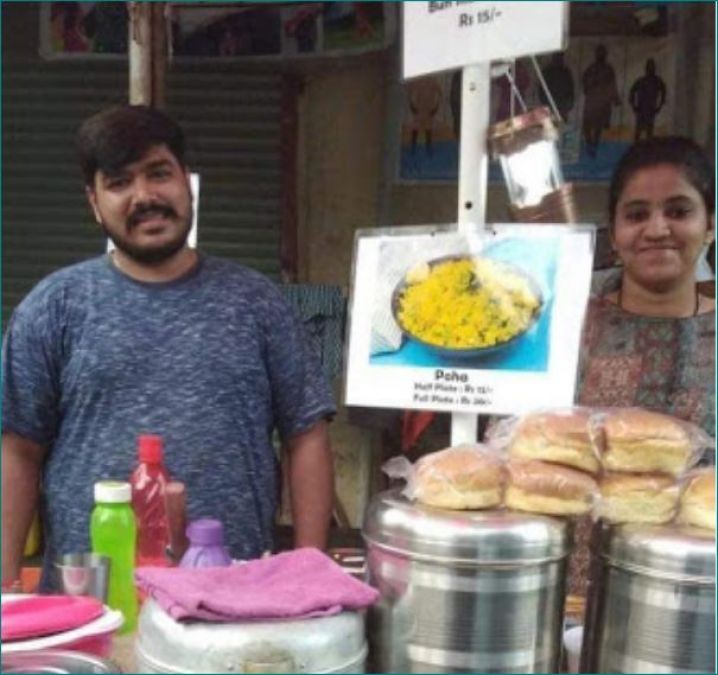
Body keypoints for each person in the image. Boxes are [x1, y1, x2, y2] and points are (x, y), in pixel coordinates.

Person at [1, 105, 336, 592]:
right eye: (119, 183)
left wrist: (309, 573)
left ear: (186, 182)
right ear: (94, 202)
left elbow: (306, 435)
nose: (145, 197)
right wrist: (5, 584)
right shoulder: (53, 307)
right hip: (94, 597)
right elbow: (16, 449)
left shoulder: (258, 302)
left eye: (159, 174)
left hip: (232, 593)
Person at [570, 135, 716, 595]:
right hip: (572, 590)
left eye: (678, 211)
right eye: (636, 214)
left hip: (696, 593)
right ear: (613, 233)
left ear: (710, 225)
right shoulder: (569, 325)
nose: (657, 228)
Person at [581, 44, 621, 158]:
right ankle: (589, 144)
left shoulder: (608, 69)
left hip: (602, 103)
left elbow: (612, 86)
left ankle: (594, 145)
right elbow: (585, 84)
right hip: (592, 102)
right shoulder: (591, 69)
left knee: (598, 127)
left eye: (602, 53)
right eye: (599, 53)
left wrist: (615, 99)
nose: (601, 55)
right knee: (587, 126)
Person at [629, 58, 667, 142]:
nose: (650, 69)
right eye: (649, 67)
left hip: (650, 109)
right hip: (641, 108)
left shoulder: (657, 81)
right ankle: (637, 148)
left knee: (649, 132)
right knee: (638, 131)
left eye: (652, 67)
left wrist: (659, 106)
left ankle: (647, 150)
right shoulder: (641, 81)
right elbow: (632, 92)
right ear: (646, 69)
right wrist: (633, 106)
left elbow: (664, 91)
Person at [539, 52, 575, 124]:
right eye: (557, 57)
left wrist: (568, 106)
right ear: (553, 58)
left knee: (562, 128)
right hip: (550, 106)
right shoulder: (547, 72)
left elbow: (571, 90)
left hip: (563, 107)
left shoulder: (566, 72)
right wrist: (546, 105)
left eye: (560, 57)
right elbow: (541, 90)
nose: (559, 59)